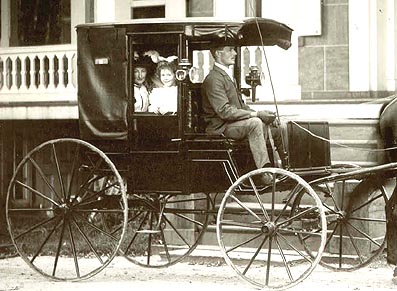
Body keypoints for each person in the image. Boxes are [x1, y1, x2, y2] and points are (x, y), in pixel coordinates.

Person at [202, 42, 286, 185]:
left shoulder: (227, 76)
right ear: (218, 53)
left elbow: (240, 106)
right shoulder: (213, 79)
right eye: (230, 50)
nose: (234, 53)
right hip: (221, 128)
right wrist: (257, 115)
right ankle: (264, 171)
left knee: (280, 127)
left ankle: (287, 167)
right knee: (255, 123)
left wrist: (263, 114)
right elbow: (225, 111)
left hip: (234, 124)